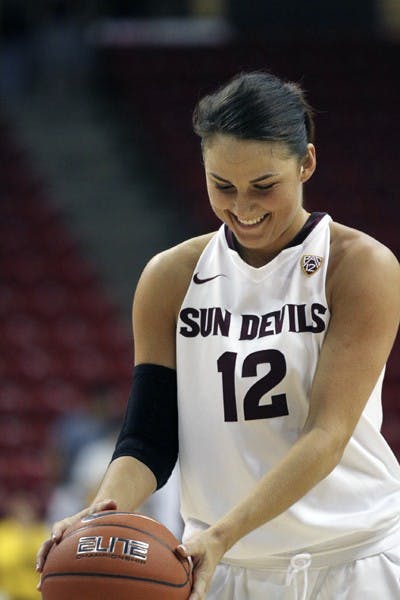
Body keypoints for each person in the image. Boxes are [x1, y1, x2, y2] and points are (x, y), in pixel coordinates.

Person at [37, 71, 400, 599]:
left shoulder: (359, 266)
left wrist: (223, 533)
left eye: (264, 186)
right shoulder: (170, 278)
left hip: (352, 558)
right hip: (220, 566)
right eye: (222, 186)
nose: (243, 208)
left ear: (307, 164)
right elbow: (148, 437)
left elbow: (326, 435)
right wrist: (102, 512)